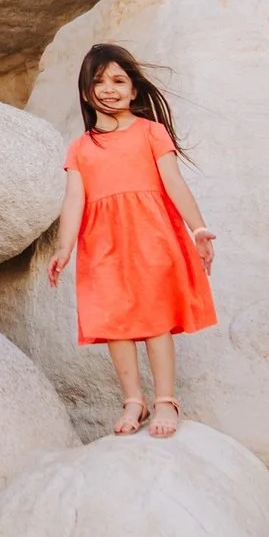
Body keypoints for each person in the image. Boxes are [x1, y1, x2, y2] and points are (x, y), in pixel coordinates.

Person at [46, 43, 217, 438]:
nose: (109, 89)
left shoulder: (150, 132)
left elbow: (174, 182)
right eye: (99, 82)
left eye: (119, 81)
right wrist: (64, 247)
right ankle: (133, 400)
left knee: (155, 318)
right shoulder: (81, 147)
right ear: (86, 92)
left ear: (134, 90)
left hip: (150, 237)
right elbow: (74, 199)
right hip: (102, 244)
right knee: (115, 322)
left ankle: (165, 400)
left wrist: (197, 229)